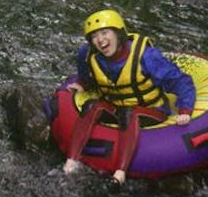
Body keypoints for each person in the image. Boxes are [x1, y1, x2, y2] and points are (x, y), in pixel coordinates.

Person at [62, 10, 196, 185]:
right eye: (94, 36)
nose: (100, 40)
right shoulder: (87, 54)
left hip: (151, 109)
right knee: (91, 105)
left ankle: (120, 174)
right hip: (115, 106)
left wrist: (185, 109)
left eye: (105, 33)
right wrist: (84, 84)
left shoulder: (147, 56)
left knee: (128, 112)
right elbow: (86, 73)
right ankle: (71, 162)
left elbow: (181, 81)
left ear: (118, 33)